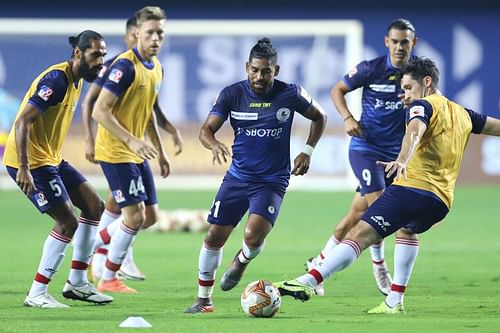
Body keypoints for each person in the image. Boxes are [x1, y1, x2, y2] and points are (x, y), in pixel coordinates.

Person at [276, 56, 500, 314]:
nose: (403, 95)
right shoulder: (464, 113)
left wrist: (402, 160)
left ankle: (309, 281)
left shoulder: (422, 107)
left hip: (411, 189)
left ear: (426, 83)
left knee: (358, 235)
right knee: (406, 231)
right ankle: (394, 301)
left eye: (407, 88)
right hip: (441, 202)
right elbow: (495, 126)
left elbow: (414, 132)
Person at [185, 38, 327, 314]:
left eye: (266, 71)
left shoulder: (291, 94)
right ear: (247, 67)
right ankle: (203, 301)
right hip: (238, 177)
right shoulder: (231, 94)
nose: (259, 77)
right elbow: (206, 130)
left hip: (272, 181)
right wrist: (214, 144)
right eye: (254, 70)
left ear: (276, 70)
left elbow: (319, 116)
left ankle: (243, 258)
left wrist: (307, 151)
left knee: (253, 235)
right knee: (214, 236)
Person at [306, 18, 418, 296]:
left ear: (412, 43)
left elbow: (434, 101)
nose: (400, 47)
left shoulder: (416, 76)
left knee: (357, 213)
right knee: (380, 209)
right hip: (365, 148)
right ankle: (379, 264)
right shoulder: (371, 69)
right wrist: (346, 117)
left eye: (405, 42)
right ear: (387, 42)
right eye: (395, 41)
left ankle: (317, 263)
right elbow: (337, 90)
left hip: (394, 157)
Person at [2, 30, 113, 308]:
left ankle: (77, 283)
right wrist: (25, 169)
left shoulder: (76, 80)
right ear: (78, 53)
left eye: (103, 55)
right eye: (95, 54)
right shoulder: (58, 79)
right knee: (67, 221)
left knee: (94, 206)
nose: (101, 61)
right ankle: (37, 293)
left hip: (50, 159)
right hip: (30, 163)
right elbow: (23, 122)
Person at [81, 16, 183, 282]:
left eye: (160, 33)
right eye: (150, 32)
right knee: (134, 216)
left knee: (149, 217)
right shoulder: (123, 66)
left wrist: (161, 151)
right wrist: (126, 140)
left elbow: (147, 112)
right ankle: (105, 266)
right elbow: (97, 109)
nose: (156, 38)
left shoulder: (157, 67)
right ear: (136, 34)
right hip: (116, 150)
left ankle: (99, 249)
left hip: (136, 152)